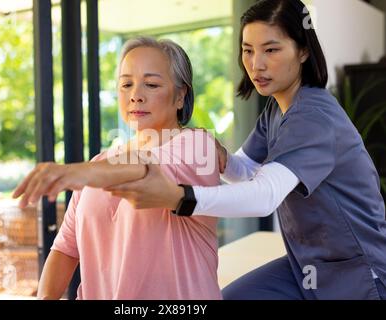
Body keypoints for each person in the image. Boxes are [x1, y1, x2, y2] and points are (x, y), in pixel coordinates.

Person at [105, 0, 386, 300]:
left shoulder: (314, 117)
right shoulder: (276, 111)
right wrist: (221, 158)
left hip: (358, 273)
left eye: (271, 49)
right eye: (248, 50)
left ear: (303, 51)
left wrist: (179, 197)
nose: (256, 64)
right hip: (306, 264)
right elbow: (246, 171)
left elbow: (264, 196)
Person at [13, 36, 223, 299]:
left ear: (180, 95)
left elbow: (145, 168)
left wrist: (72, 172)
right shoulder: (99, 164)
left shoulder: (198, 146)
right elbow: (66, 249)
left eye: (151, 84)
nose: (136, 95)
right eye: (126, 84)